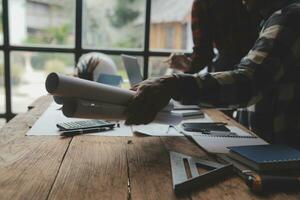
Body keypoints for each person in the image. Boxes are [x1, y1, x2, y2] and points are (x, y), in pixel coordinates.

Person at [125, 0, 300, 147]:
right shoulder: (275, 18)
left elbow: (248, 84)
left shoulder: (291, 18)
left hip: (283, 157)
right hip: (266, 149)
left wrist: (174, 84)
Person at [169, 0, 260, 74]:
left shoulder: (204, 4)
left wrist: (189, 65)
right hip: (264, 63)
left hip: (228, 70)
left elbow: (204, 52)